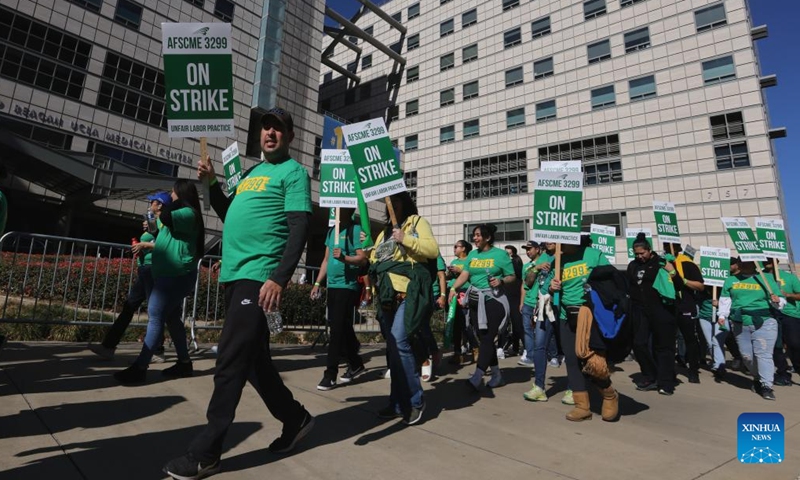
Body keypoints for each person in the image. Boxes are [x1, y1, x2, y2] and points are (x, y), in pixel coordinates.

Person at [164, 108, 314, 479]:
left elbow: (299, 230)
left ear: (289, 136)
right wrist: (212, 184)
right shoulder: (250, 174)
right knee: (253, 363)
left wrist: (279, 277)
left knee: (230, 359)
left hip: (259, 277)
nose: (270, 132)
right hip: (234, 276)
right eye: (266, 127)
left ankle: (207, 451)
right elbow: (228, 212)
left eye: (278, 128)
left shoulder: (293, 173)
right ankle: (295, 418)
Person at [114, 180, 204, 383]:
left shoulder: (188, 213)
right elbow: (166, 235)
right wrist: (153, 227)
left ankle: (140, 367)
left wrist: (167, 206)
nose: (169, 197)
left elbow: (165, 215)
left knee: (155, 315)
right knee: (171, 319)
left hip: (175, 276)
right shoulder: (182, 215)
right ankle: (184, 363)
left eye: (172, 193)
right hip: (169, 275)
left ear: (180, 194)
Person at [369, 191, 439, 425]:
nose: (392, 204)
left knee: (399, 340)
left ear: (404, 204)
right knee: (394, 350)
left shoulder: (417, 223)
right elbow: (375, 262)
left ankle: (415, 401)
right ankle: (397, 403)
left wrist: (406, 239)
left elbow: (432, 251)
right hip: (387, 296)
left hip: (409, 292)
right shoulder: (382, 234)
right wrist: (367, 252)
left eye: (396, 200)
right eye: (389, 201)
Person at [90, 191, 172, 362]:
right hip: (144, 269)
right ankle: (108, 346)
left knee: (152, 310)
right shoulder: (154, 222)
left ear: (160, 205)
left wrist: (144, 244)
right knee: (130, 306)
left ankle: (157, 349)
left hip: (152, 269)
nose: (150, 204)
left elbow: (165, 245)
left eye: (153, 202)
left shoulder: (165, 222)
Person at [548, 236, 618, 421]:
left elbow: (611, 281)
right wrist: (552, 287)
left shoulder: (593, 255)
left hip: (589, 315)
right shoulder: (557, 260)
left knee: (592, 362)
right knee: (571, 360)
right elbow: (550, 289)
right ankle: (582, 405)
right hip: (565, 316)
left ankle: (609, 394)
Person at [448, 224, 515, 391]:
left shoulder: (500, 255)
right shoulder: (472, 254)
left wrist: (501, 281)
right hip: (475, 301)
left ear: (488, 237)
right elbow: (465, 274)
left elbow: (512, 276)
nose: (475, 238)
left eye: (478, 235)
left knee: (487, 338)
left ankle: (477, 376)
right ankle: (497, 375)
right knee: (483, 338)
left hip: (494, 300)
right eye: (474, 235)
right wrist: (453, 288)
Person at [310, 207, 368, 391]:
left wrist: (344, 258)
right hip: (332, 285)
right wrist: (318, 283)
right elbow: (326, 260)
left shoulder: (355, 229)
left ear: (348, 209)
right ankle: (356, 362)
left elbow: (362, 259)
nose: (336, 210)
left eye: (340, 207)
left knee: (336, 329)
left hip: (347, 285)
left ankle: (330, 374)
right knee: (341, 324)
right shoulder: (331, 231)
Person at [717, 259, 785, 400]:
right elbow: (725, 299)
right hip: (740, 322)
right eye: (743, 262)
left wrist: (777, 300)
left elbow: (781, 302)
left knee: (763, 354)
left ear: (755, 264)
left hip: (765, 322)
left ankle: (767, 385)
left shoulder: (767, 279)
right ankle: (757, 377)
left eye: (749, 262)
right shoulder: (731, 280)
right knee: (747, 356)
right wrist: (722, 315)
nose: (745, 265)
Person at [628, 234, 680, 395]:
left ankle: (665, 382)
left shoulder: (661, 263)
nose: (639, 256)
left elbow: (678, 285)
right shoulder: (632, 266)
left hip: (661, 310)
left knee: (663, 346)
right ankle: (650, 375)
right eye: (636, 254)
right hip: (640, 311)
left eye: (642, 253)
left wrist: (672, 272)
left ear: (649, 250)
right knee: (639, 343)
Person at [665, 243, 704, 384]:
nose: (666, 249)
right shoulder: (662, 263)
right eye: (664, 247)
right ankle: (669, 371)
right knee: (667, 341)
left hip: (685, 306)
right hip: (668, 307)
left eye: (669, 247)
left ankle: (693, 371)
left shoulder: (688, 264)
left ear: (677, 249)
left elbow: (700, 286)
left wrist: (683, 280)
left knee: (690, 340)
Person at [764, 259, 797, 386]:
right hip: (770, 314)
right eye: (765, 260)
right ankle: (783, 373)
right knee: (776, 346)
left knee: (794, 344)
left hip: (790, 314)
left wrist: (787, 295)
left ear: (776, 261)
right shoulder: (760, 277)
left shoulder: (789, 277)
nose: (766, 262)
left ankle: (796, 366)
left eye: (770, 260)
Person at [446, 239, 478, 364]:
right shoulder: (454, 261)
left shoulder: (470, 261)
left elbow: (473, 276)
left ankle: (476, 348)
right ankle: (457, 353)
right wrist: (449, 273)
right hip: (452, 294)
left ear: (464, 248)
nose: (454, 249)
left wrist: (460, 271)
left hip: (464, 294)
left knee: (466, 324)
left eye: (456, 246)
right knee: (455, 325)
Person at [697, 285, 728, 382]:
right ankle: (717, 363)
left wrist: (721, 304)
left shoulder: (724, 285)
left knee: (717, 341)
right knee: (710, 343)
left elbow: (733, 300)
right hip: (704, 316)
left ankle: (719, 367)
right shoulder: (702, 285)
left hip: (721, 316)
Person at [518, 240, 541, 368]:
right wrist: (522, 302)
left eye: (530, 248)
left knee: (542, 331)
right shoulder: (526, 266)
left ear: (537, 249)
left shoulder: (545, 261)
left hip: (541, 302)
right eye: (526, 249)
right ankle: (530, 356)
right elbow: (524, 285)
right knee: (527, 330)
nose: (528, 251)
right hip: (528, 302)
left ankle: (552, 355)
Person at [500, 245, 524, 358]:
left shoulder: (516, 262)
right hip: (505, 294)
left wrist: (512, 260)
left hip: (515, 295)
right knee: (502, 323)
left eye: (508, 254)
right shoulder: (503, 264)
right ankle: (506, 345)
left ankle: (524, 348)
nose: (506, 256)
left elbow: (519, 273)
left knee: (517, 323)